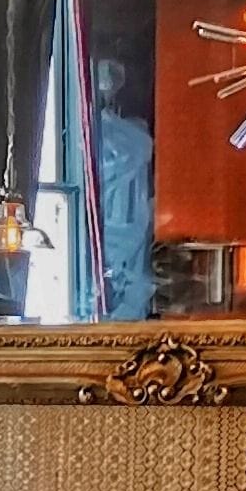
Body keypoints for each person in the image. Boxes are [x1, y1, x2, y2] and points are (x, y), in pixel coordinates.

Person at [89, 51, 155, 318]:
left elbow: (140, 151)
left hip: (128, 216)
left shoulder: (129, 132)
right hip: (114, 218)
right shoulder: (96, 129)